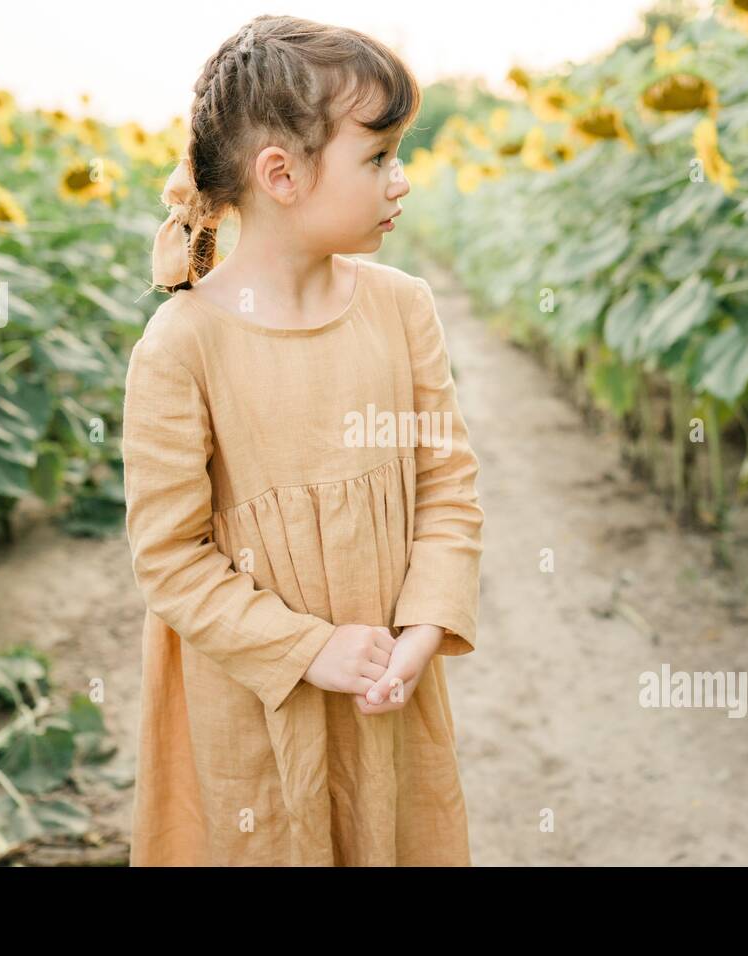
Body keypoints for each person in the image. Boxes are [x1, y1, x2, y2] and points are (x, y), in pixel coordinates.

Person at [120, 15, 486, 866]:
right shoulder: (182, 346)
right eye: (379, 157)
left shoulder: (403, 308)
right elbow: (170, 559)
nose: (401, 181)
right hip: (256, 696)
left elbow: (447, 487)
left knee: (389, 834)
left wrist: (424, 628)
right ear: (280, 173)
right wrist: (309, 649)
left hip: (385, 689)